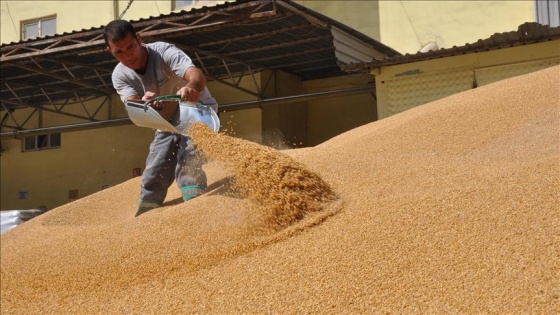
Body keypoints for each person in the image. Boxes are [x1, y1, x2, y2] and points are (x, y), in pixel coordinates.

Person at [103, 19, 218, 216]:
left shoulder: (163, 52)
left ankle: (197, 209)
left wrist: (191, 87)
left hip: (197, 112)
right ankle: (147, 214)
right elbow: (132, 103)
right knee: (155, 169)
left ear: (139, 39)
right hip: (164, 121)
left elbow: (196, 74)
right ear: (110, 51)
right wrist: (144, 103)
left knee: (188, 159)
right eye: (118, 52)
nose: (127, 55)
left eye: (130, 47)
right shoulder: (119, 75)